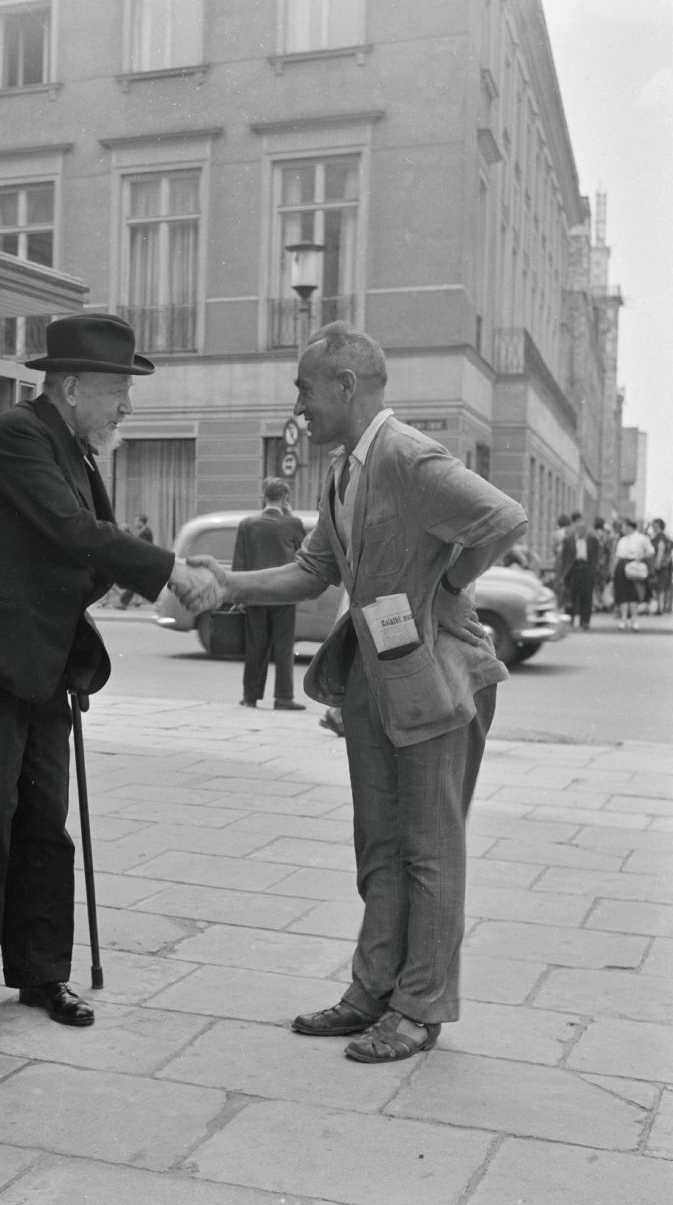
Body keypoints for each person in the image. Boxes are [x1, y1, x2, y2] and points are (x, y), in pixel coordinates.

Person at [178, 322, 527, 1063]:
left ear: (345, 383)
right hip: (376, 677)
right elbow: (312, 572)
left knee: (429, 850)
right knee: (378, 844)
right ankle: (372, 990)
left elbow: (501, 518)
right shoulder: (342, 470)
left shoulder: (406, 454)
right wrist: (227, 584)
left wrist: (446, 586)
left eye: (305, 388)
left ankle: (419, 1009)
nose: (298, 404)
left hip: (436, 678)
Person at [0, 313, 215, 1040]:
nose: (127, 407)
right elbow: (75, 534)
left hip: (44, 664)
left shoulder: (80, 453)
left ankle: (41, 971)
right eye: (119, 390)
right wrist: (174, 571)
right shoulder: (21, 434)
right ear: (75, 386)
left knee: (45, 828)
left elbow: (87, 555)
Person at [232, 478, 308, 709]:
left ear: (264, 496)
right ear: (285, 498)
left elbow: (239, 563)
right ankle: (283, 697)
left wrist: (239, 597)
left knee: (256, 647)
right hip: (284, 595)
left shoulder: (247, 524)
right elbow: (306, 554)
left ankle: (250, 697)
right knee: (283, 647)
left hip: (255, 595)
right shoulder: (292, 523)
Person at [558, 514, 600, 629]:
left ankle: (585, 621)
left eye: (584, 530)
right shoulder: (568, 540)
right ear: (576, 530)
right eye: (579, 529)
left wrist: (593, 570)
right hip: (573, 569)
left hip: (586, 569)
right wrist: (562, 574)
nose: (582, 532)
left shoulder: (592, 540)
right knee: (570, 596)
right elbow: (564, 557)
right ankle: (569, 620)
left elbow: (596, 556)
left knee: (586, 597)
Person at [612, 518, 654, 631]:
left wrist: (641, 557)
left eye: (623, 526)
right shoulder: (622, 540)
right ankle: (623, 620)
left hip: (634, 566)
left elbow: (650, 551)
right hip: (621, 565)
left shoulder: (642, 538)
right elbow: (617, 556)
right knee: (622, 594)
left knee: (634, 594)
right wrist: (613, 569)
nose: (622, 529)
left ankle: (634, 620)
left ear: (629, 526)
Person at [116, 514, 156, 608]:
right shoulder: (145, 531)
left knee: (135, 582)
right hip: (144, 561)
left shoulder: (146, 533)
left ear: (142, 522)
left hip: (144, 562)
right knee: (137, 582)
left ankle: (123, 602)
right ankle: (132, 601)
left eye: (136, 521)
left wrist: (127, 530)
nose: (135, 523)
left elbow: (137, 544)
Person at [648, 519, 673, 614]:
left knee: (659, 587)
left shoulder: (660, 537)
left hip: (660, 566)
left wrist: (657, 564)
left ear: (658, 525)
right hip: (665, 565)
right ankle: (660, 607)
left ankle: (659, 608)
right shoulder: (665, 536)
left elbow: (661, 549)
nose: (652, 526)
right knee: (660, 587)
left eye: (654, 525)